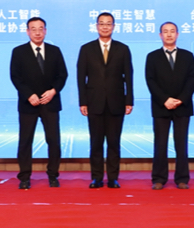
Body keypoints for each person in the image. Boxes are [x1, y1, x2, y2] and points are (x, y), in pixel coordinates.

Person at [77, 12, 133, 188]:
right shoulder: (86, 49)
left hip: (117, 102)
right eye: (102, 24)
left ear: (114, 27)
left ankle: (113, 178)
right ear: (96, 26)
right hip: (94, 102)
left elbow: (129, 76)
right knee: (96, 142)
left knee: (114, 142)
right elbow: (81, 77)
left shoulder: (123, 49)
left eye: (109, 24)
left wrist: (129, 100)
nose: (105, 27)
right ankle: (96, 177)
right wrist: (83, 101)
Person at [10, 17, 68, 190]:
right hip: (28, 104)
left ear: (46, 31)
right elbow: (15, 77)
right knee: (25, 141)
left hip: (50, 102)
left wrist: (53, 91)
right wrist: (29, 95)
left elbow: (62, 75)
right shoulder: (18, 52)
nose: (37, 32)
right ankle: (25, 177)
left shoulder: (55, 51)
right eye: (33, 29)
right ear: (27, 31)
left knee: (54, 141)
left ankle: (53, 175)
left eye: (40, 28)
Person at [145, 21, 194, 190]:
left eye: (172, 31)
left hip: (183, 106)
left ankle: (182, 178)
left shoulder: (188, 56)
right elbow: (150, 81)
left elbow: (192, 80)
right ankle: (159, 178)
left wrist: (180, 99)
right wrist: (165, 100)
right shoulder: (152, 57)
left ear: (178, 34)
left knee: (181, 144)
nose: (169, 34)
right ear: (160, 35)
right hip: (161, 106)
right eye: (165, 32)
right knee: (160, 143)